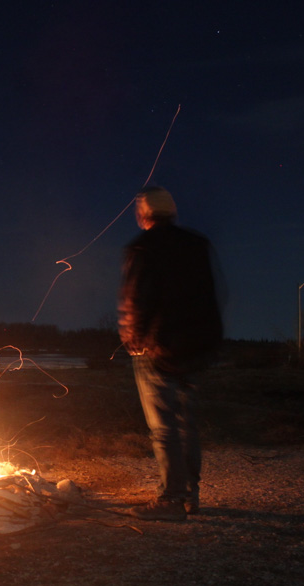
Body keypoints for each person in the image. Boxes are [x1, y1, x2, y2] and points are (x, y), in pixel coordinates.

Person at [118, 185, 223, 521]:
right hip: (198, 346)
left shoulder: (142, 247)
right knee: (187, 424)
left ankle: (171, 500)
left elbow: (135, 298)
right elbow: (212, 293)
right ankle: (191, 495)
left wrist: (132, 338)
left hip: (159, 347)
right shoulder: (197, 244)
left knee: (163, 427)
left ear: (143, 214)